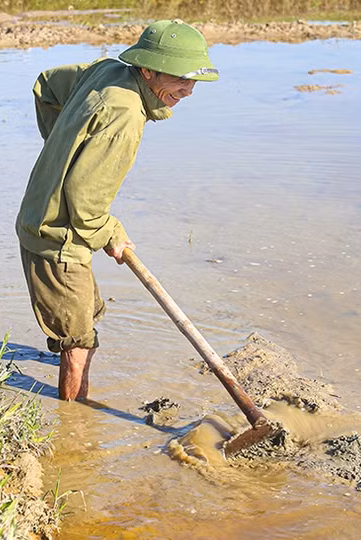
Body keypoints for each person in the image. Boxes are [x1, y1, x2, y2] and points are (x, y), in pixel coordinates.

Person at [15, 20, 219, 401]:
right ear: (147, 69)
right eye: (179, 79)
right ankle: (75, 428)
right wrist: (111, 232)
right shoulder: (124, 117)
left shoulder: (109, 71)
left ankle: (66, 364)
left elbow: (46, 85)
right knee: (81, 344)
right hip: (56, 238)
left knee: (87, 314)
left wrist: (62, 147)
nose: (187, 91)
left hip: (45, 216)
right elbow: (84, 204)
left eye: (194, 82)